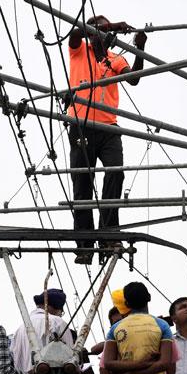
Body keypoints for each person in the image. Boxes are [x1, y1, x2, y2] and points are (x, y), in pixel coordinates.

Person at [67, 15, 149, 264]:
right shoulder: (79, 50)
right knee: (83, 183)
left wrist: (140, 47)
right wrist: (110, 27)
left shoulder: (113, 58)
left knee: (115, 172)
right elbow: (75, 33)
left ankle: (108, 234)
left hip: (109, 127)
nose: (98, 34)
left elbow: (133, 78)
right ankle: (84, 245)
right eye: (96, 30)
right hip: (81, 125)